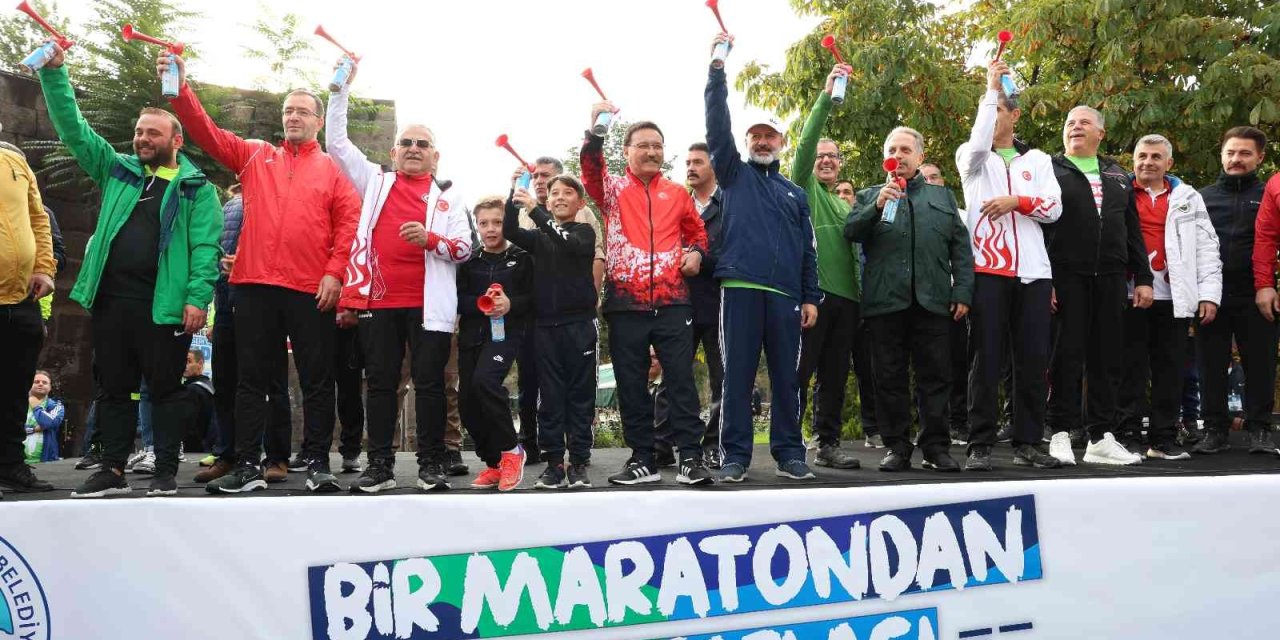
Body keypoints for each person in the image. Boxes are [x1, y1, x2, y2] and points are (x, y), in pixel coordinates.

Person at [162, 55, 362, 494]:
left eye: (302, 111)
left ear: (317, 121)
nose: (293, 116)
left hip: (310, 290)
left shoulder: (331, 169)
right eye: (288, 110)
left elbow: (349, 222)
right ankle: (248, 465)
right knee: (250, 381)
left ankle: (315, 464)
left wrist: (334, 273)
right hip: (253, 286)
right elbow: (207, 133)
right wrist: (180, 90)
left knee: (316, 381)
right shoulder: (255, 155)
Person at [40, 46, 222, 499]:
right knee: (114, 390)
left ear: (175, 140)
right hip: (112, 302)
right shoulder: (118, 169)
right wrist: (55, 76)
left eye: (153, 133)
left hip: (162, 307)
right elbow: (75, 131)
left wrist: (198, 298)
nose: (142, 139)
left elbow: (205, 248)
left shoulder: (197, 189)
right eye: (139, 132)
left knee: (164, 390)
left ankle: (163, 470)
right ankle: (112, 468)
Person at [326, 61, 472, 492]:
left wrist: (429, 240)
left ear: (435, 155)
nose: (413, 148)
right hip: (379, 303)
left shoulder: (449, 196)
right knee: (381, 385)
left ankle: (430, 464)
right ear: (392, 153)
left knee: (430, 386)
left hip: (430, 307)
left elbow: (464, 249)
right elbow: (336, 143)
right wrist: (339, 91)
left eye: (422, 143)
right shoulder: (374, 180)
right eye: (405, 142)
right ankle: (381, 467)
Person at [706, 33, 821, 483]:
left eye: (768, 134)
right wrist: (716, 74)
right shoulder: (733, 174)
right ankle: (735, 456)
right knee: (736, 377)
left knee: (787, 380)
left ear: (781, 140)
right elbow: (717, 126)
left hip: (787, 296)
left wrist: (811, 296)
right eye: (754, 134)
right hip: (740, 289)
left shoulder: (795, 192)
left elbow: (808, 250)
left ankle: (790, 453)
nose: (761, 140)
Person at [582, 105, 713, 487]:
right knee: (630, 383)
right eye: (644, 146)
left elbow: (699, 235)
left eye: (658, 146)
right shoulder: (611, 189)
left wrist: (697, 254)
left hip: (674, 301)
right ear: (626, 152)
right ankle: (642, 458)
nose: (653, 152)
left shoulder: (677, 193)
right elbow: (590, 169)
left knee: (681, 381)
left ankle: (691, 457)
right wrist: (595, 133)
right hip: (626, 303)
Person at [954, 59, 1063, 471]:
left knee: (1033, 360)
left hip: (1034, 273)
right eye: (989, 110)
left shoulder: (1038, 160)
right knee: (986, 358)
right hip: (988, 271)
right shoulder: (972, 156)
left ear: (1015, 115)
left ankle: (1029, 442)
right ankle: (979, 444)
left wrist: (1018, 202)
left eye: (1000, 109)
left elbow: (1054, 209)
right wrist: (989, 89)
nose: (992, 116)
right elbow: (980, 143)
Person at [846, 126, 974, 472]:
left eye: (905, 149)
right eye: (893, 149)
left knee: (936, 376)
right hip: (885, 303)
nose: (899, 155)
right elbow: (851, 231)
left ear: (919, 157)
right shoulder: (869, 195)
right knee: (888, 377)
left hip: (933, 301)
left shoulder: (942, 198)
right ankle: (897, 447)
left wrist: (962, 290)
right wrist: (876, 205)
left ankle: (935, 447)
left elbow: (961, 248)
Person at [1044, 105, 1153, 466]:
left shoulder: (1119, 175)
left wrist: (1144, 278)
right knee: (1066, 356)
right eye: (1070, 123)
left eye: (1084, 122)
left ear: (1100, 133)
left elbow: (1132, 230)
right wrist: (1047, 280)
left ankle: (1100, 438)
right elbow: (1038, 227)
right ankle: (1059, 433)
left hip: (1111, 277)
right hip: (1066, 275)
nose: (1075, 127)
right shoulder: (1048, 170)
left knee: (1107, 358)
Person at [1116, 134, 1221, 460]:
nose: (1148, 162)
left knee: (1170, 371)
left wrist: (1209, 295)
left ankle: (1163, 440)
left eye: (1155, 157)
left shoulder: (1188, 198)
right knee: (1128, 370)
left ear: (1169, 163)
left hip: (1175, 297)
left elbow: (1206, 248)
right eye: (1142, 156)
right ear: (1133, 160)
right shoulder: (1118, 192)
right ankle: (1127, 437)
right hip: (1129, 294)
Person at [511, 156, 606, 464]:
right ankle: (553, 462)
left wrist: (535, 211)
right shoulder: (538, 236)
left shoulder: (583, 232)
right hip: (545, 327)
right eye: (554, 194)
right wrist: (515, 192)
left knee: (580, 395)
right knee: (549, 397)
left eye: (567, 193)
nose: (560, 197)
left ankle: (578, 459)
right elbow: (511, 230)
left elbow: (566, 242)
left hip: (579, 324)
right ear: (548, 202)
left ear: (580, 203)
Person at [791, 64, 862, 470]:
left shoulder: (845, 203)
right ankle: (789, 436)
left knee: (835, 376)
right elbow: (804, 146)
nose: (826, 161)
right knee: (802, 371)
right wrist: (825, 95)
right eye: (821, 156)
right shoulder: (806, 193)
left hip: (849, 300)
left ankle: (828, 443)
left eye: (833, 157)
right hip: (814, 296)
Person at [198, 185, 294, 484]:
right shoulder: (228, 207)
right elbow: (215, 249)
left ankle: (276, 456)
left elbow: (284, 250)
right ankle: (228, 454)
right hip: (227, 301)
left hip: (265, 302)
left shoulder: (281, 203)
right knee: (225, 383)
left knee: (273, 383)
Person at [1195, 126, 1278, 455]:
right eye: (1230, 152)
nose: (1236, 159)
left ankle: (1260, 430)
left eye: (1245, 153)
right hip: (1210, 296)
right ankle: (1214, 430)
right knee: (1210, 363)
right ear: (1221, 155)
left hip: (1258, 292)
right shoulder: (1200, 197)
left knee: (1260, 363)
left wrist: (1269, 285)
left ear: (1260, 157)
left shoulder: (1270, 194)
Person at [457, 197, 533, 492]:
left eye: (498, 222)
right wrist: (481, 304)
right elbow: (458, 299)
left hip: (506, 336)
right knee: (467, 404)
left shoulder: (523, 257)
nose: (491, 229)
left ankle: (512, 452)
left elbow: (533, 299)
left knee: (485, 382)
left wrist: (510, 303)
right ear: (477, 226)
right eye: (484, 223)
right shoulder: (469, 261)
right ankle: (494, 463)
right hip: (471, 336)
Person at [0, 133, 55, 497]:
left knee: (15, 389)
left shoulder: (15, 158)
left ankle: (9, 466)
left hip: (21, 300)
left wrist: (44, 268)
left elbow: (38, 218)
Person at [682, 142, 725, 468]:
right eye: (687, 162)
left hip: (719, 304)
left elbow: (736, 251)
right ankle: (669, 445)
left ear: (713, 165)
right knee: (674, 377)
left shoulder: (730, 203)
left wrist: (701, 258)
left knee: (722, 379)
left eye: (698, 161)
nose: (691, 167)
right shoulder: (677, 203)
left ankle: (714, 444)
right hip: (678, 304)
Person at [179, 349, 215, 453]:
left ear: (200, 363)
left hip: (193, 449)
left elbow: (190, 426)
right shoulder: (211, 386)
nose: (184, 365)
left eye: (189, 361)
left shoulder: (193, 389)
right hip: (209, 447)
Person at [24, 371, 62, 464]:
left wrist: (35, 405)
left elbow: (49, 423)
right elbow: (11, 428)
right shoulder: (18, 405)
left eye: (44, 382)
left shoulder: (56, 405)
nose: (40, 384)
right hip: (17, 463)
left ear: (50, 387)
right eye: (36, 382)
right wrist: (34, 429)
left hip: (45, 462)